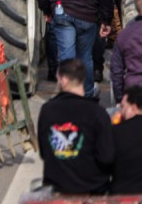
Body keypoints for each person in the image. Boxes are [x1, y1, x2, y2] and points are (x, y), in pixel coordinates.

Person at [37, 58, 115, 194]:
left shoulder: (47, 111)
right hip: (93, 190)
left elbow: (45, 153)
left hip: (58, 189)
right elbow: (107, 157)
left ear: (64, 80)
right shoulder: (98, 113)